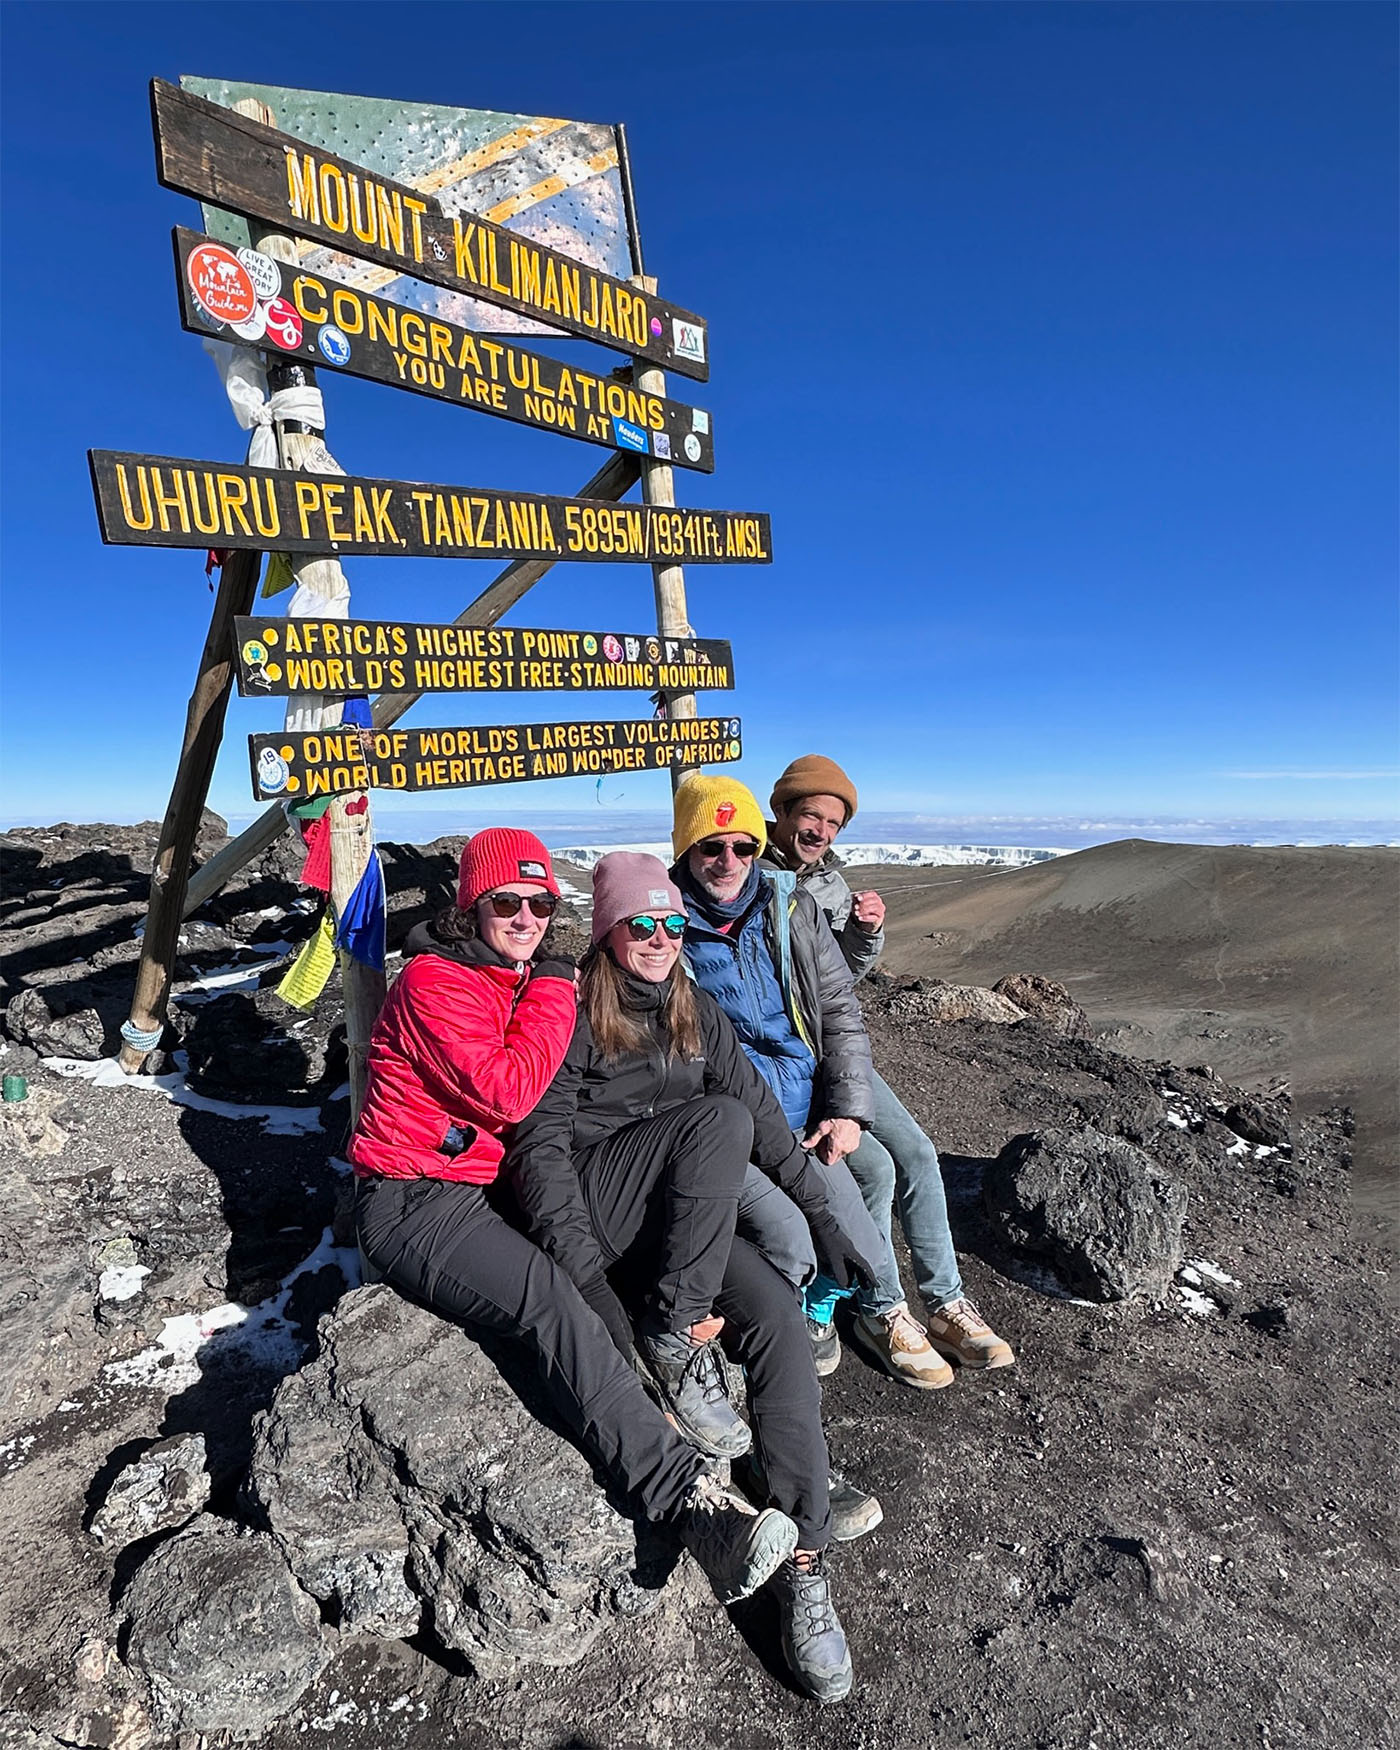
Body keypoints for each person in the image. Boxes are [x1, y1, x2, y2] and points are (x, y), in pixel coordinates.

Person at [349, 826, 800, 1614]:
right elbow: (509, 1091)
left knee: (575, 1295)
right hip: (412, 1198)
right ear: (471, 906)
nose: (527, 918)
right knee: (554, 1304)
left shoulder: (510, 977)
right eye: (508, 903)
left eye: (541, 905)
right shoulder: (434, 981)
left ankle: (674, 1429)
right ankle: (690, 1504)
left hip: (477, 1192)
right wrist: (560, 985)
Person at [509, 851, 878, 1704]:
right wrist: (589, 1286)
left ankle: (806, 1555)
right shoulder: (569, 1010)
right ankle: (676, 1331)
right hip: (599, 1213)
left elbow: (767, 1119)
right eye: (641, 923)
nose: (661, 938)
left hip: (676, 1224)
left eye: (673, 924)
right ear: (607, 930)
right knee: (714, 1121)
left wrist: (827, 1224)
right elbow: (541, 1155)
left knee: (778, 1318)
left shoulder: (693, 1007)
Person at [669, 774, 952, 1390]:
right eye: (711, 846)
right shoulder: (665, 926)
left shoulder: (789, 904)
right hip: (749, 1114)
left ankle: (884, 1303)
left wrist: (845, 1108)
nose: (728, 860)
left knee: (886, 1171)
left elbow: (837, 1004)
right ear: (686, 848)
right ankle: (844, 1309)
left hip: (812, 1085)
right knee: (817, 1223)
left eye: (742, 847)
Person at [764, 754, 1016, 1374]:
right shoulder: (749, 874)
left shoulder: (830, 882)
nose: (822, 831)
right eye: (811, 816)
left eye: (834, 823)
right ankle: (880, 1308)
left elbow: (839, 981)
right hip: (790, 1060)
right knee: (872, 1167)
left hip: (834, 1050)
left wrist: (865, 936)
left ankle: (946, 1301)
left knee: (920, 1154)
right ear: (782, 812)